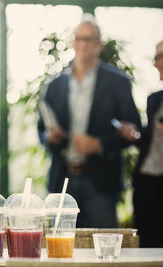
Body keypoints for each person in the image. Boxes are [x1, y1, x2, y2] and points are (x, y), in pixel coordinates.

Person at [38, 15, 141, 228]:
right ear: (72, 43)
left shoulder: (118, 82)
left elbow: (133, 129)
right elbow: (41, 129)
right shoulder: (55, 84)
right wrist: (50, 136)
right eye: (79, 39)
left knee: (103, 250)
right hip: (62, 180)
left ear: (99, 44)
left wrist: (99, 144)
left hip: (101, 181)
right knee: (60, 250)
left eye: (89, 39)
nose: (83, 44)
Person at [119, 40, 163, 247]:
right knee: (146, 240)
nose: (156, 63)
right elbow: (150, 141)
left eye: (160, 56)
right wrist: (135, 135)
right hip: (147, 181)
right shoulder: (154, 99)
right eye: (155, 58)